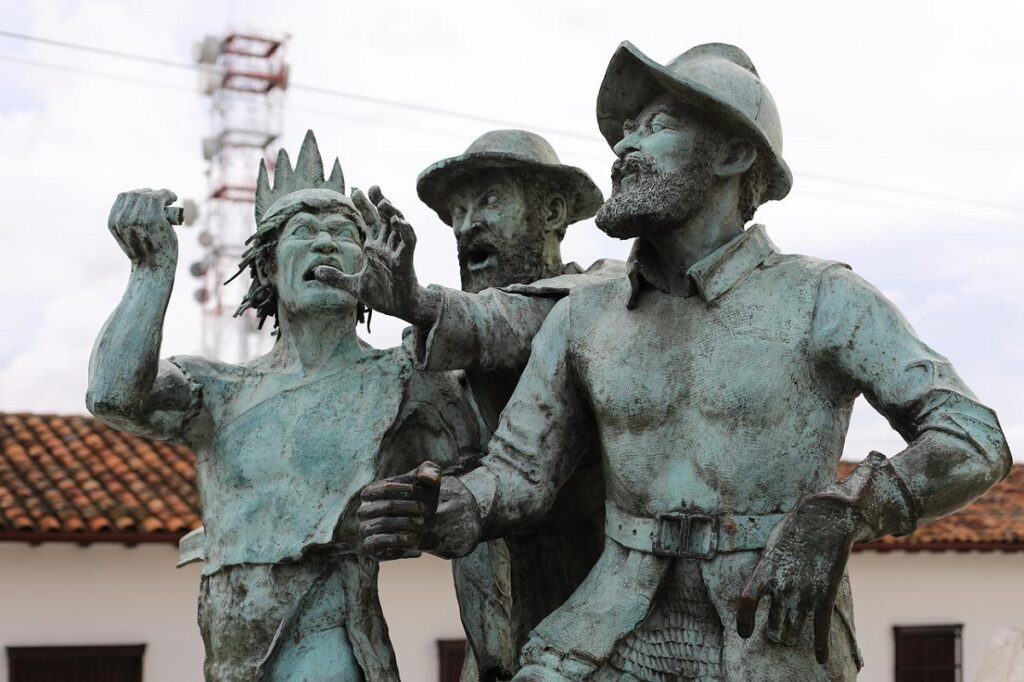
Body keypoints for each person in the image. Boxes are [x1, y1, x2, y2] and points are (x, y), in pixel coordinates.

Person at [356, 43, 1011, 681]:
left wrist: (843, 510)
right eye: (624, 131)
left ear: (731, 152)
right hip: (608, 628)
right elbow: (520, 472)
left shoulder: (822, 299)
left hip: (767, 630)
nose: (622, 149)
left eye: (657, 125)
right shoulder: (584, 317)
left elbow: (973, 440)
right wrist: (448, 504)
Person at [86, 131, 479, 681]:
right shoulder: (217, 390)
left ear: (367, 266)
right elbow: (113, 396)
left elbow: (490, 489)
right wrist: (151, 272)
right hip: (229, 655)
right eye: (304, 232)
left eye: (345, 234)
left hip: (332, 638)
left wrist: (431, 516)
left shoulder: (408, 377)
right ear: (268, 267)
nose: (326, 244)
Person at [318, 129, 621, 680]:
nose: (465, 225)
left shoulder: (608, 298)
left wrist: (416, 302)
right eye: (456, 210)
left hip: (603, 647)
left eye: (489, 201)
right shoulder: (441, 356)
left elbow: (517, 321)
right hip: (492, 654)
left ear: (553, 211)